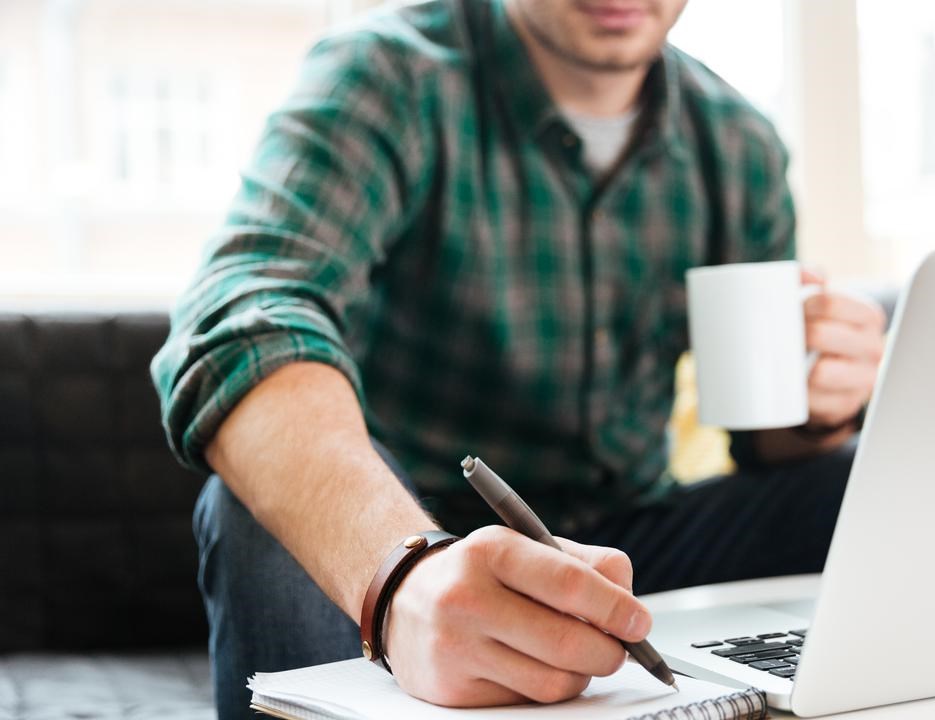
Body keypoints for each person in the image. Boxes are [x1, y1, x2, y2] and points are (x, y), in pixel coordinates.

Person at [151, 0, 886, 717]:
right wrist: (401, 571)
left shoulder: (737, 141)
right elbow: (242, 317)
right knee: (253, 508)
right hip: (420, 537)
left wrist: (820, 402)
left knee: (863, 481)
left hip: (631, 547)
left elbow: (764, 443)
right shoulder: (387, 76)